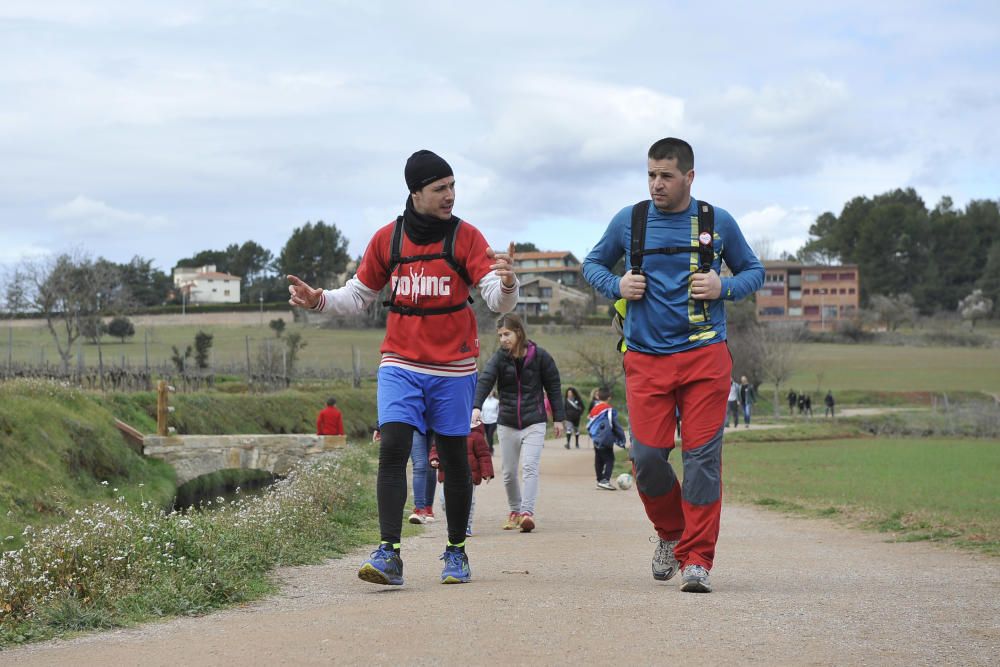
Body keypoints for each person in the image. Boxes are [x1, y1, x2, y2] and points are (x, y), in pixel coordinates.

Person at [287, 149, 518, 586]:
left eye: (453, 186)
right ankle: (389, 554)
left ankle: (455, 552)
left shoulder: (466, 237)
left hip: (453, 368)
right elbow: (357, 296)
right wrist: (318, 299)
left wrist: (507, 283)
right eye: (439, 189)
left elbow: (494, 297)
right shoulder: (387, 240)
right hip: (400, 363)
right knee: (393, 447)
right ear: (415, 192)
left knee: (452, 458)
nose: (450, 195)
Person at [582, 137, 763, 593]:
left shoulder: (717, 222)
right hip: (645, 359)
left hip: (705, 357)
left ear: (689, 177)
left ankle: (698, 559)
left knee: (702, 460)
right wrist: (616, 283)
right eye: (650, 175)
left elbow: (753, 271)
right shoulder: (630, 220)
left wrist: (724, 286)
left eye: (665, 175)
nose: (656, 184)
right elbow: (591, 264)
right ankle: (670, 532)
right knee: (646, 458)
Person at [472, 313, 564, 534]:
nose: (503, 339)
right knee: (509, 471)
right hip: (508, 422)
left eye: (507, 334)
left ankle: (527, 513)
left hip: (535, 421)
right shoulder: (499, 358)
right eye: (500, 335)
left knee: (530, 467)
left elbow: (553, 387)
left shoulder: (541, 357)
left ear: (519, 333)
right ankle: (514, 510)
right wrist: (476, 406)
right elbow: (485, 380)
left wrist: (559, 418)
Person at [430, 423, 494, 537]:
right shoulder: (444, 430)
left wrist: (487, 472)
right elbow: (435, 448)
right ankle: (453, 524)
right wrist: (434, 458)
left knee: (468, 501)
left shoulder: (476, 435)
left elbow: (484, 455)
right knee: (444, 500)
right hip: (446, 473)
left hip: (470, 475)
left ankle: (466, 526)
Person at [588, 387, 627, 489]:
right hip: (606, 439)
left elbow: (590, 423)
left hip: (596, 438)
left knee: (598, 459)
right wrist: (622, 438)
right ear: (609, 398)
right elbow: (615, 425)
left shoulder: (594, 409)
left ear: (598, 396)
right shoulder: (609, 410)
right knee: (610, 459)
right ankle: (605, 480)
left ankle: (599, 480)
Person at [407, 431, 434, 524]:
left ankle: (428, 508)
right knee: (420, 465)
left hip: (436, 423)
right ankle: (420, 509)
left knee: (432, 464)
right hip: (417, 423)